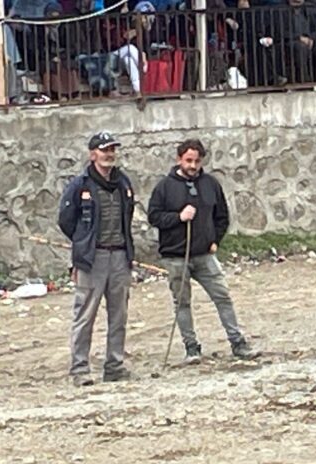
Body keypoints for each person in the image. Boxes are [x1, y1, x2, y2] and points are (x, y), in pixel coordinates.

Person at [147, 139, 260, 364]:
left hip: (205, 255)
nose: (193, 165)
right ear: (179, 159)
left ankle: (237, 342)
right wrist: (178, 217)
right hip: (176, 256)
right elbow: (154, 217)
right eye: (188, 160)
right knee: (182, 303)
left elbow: (222, 216)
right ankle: (191, 347)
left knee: (223, 296)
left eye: (197, 161)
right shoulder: (164, 187)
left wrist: (215, 240)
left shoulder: (211, 184)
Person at [57, 132, 136, 386]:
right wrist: (83, 243)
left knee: (119, 315)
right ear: (93, 154)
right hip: (92, 259)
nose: (109, 154)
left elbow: (128, 215)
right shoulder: (79, 185)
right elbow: (66, 220)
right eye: (104, 150)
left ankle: (114, 366)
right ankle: (80, 369)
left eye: (112, 149)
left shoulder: (123, 182)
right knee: (85, 315)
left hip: (120, 255)